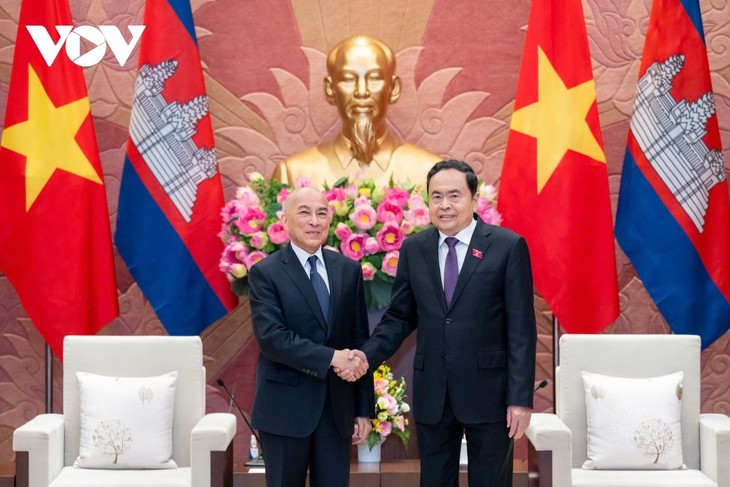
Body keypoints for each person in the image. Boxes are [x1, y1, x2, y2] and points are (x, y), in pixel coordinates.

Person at [350, 160, 537, 487]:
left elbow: (521, 329)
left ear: (474, 200)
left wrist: (520, 399)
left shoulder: (507, 246)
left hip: (489, 393)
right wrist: (366, 356)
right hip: (433, 392)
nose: (445, 204)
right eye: (436, 196)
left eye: (454, 195)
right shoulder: (415, 248)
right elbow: (400, 316)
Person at [247, 187, 373, 487]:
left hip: (337, 410)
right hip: (284, 410)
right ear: (285, 220)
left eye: (321, 213)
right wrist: (331, 357)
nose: (314, 221)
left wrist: (363, 410)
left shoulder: (348, 270)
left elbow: (359, 341)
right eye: (304, 212)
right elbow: (272, 338)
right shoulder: (266, 273)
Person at [273, 35, 441, 188]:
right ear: (330, 89)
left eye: (374, 78)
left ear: (393, 88)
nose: (361, 92)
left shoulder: (430, 173)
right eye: (348, 79)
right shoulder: (292, 174)